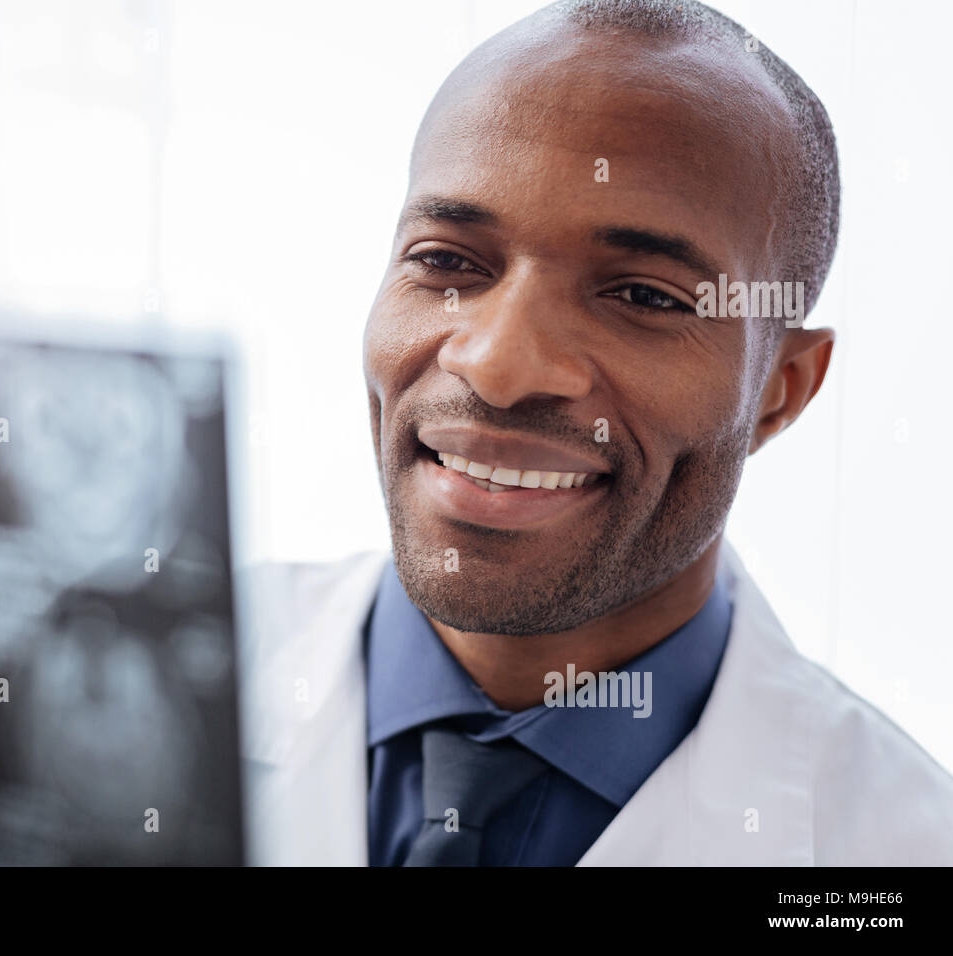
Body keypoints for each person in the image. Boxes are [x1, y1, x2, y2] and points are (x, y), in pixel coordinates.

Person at [238, 0, 953, 866]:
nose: (498, 366)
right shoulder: (93, 687)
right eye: (448, 261)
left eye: (646, 297)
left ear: (780, 390)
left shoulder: (898, 852)